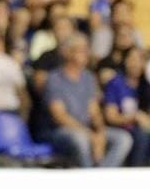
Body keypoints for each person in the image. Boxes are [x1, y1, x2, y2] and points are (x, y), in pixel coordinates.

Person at [43, 33, 133, 167]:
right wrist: (90, 135)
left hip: (86, 129)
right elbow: (60, 116)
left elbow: (94, 111)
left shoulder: (88, 78)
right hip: (60, 131)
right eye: (81, 49)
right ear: (68, 53)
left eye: (86, 49)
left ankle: (101, 175)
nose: (86, 52)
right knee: (81, 140)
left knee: (124, 139)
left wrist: (100, 133)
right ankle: (88, 176)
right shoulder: (54, 79)